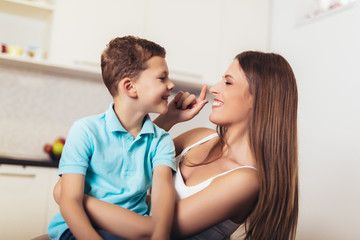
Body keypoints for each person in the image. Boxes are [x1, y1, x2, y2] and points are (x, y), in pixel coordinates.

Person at [53, 51, 299, 239]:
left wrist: (73, 199)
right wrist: (168, 119)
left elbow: (150, 230)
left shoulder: (245, 180)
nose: (214, 89)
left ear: (259, 98)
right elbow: (127, 163)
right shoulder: (199, 137)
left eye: (228, 82)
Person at [47, 36, 193, 240]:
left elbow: (162, 192)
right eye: (162, 78)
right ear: (130, 87)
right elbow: (70, 200)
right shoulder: (85, 130)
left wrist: (161, 235)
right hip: (78, 230)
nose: (171, 84)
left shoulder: (161, 140)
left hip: (128, 231)